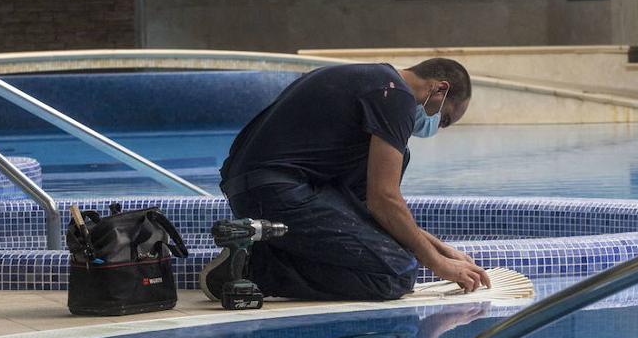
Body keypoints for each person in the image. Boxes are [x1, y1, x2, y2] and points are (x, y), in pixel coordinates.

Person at [203, 58, 491, 302]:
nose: (436, 127)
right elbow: (384, 201)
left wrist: (442, 249)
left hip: (258, 188)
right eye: (444, 119)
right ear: (440, 88)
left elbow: (370, 210)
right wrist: (438, 264)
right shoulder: (396, 97)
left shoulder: (373, 81)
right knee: (395, 273)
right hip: (275, 191)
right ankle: (253, 266)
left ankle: (259, 250)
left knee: (401, 235)